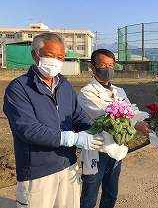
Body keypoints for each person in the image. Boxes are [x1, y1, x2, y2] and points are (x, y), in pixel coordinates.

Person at [3, 32, 104, 208]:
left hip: (68, 166)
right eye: (50, 56)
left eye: (60, 57)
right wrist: (72, 138)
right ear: (35, 54)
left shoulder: (65, 86)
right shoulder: (19, 88)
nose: (56, 61)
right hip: (38, 171)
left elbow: (78, 118)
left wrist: (97, 133)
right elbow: (28, 129)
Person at [77, 48, 151, 208]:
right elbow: (107, 116)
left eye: (111, 65)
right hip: (97, 150)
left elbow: (132, 111)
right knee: (89, 197)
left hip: (116, 149)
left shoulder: (119, 91)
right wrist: (136, 124)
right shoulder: (87, 93)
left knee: (111, 195)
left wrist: (146, 120)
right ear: (93, 67)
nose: (108, 69)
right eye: (103, 65)